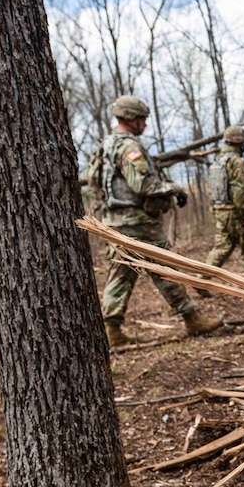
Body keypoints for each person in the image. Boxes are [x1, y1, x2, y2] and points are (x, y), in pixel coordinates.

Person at [97, 95, 223, 347]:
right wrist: (174, 189)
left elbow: (94, 180)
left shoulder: (106, 145)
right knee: (165, 266)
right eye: (142, 119)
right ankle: (191, 317)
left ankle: (112, 330)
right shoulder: (128, 148)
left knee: (121, 273)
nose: (145, 124)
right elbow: (143, 184)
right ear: (131, 119)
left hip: (116, 220)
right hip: (138, 222)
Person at [204, 125, 244, 280]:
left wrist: (216, 211)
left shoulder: (218, 161)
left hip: (221, 211)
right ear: (240, 142)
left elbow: (212, 191)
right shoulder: (236, 162)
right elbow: (240, 192)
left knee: (222, 247)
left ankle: (201, 277)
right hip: (235, 212)